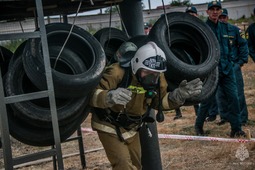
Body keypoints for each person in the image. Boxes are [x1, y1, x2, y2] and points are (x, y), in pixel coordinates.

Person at [89, 41, 203, 169]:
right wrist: (109, 96)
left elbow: (159, 103)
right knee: (123, 165)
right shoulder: (117, 72)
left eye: (155, 74)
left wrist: (177, 96)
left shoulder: (158, 78)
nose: (151, 77)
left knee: (136, 165)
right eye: (147, 72)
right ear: (137, 65)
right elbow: (90, 95)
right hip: (108, 124)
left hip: (132, 128)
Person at [194, 1, 246, 138]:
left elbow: (238, 44)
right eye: (212, 9)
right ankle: (198, 126)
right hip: (212, 71)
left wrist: (236, 63)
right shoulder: (203, 28)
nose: (215, 11)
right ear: (207, 12)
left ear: (221, 11)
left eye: (218, 9)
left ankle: (236, 128)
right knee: (207, 101)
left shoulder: (227, 28)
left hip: (227, 70)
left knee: (234, 98)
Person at [217, 8, 249, 126]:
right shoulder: (216, 30)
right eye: (220, 17)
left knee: (238, 93)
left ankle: (242, 118)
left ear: (227, 17)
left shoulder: (235, 30)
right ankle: (225, 117)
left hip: (233, 65)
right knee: (221, 94)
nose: (222, 19)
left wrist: (241, 62)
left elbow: (243, 46)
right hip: (220, 67)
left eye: (224, 17)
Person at [173, 5, 200, 120]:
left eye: (193, 14)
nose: (191, 16)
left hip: (194, 60)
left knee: (194, 83)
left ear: (196, 15)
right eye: (188, 14)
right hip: (180, 59)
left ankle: (198, 111)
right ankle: (178, 112)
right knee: (177, 84)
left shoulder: (200, 29)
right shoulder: (182, 28)